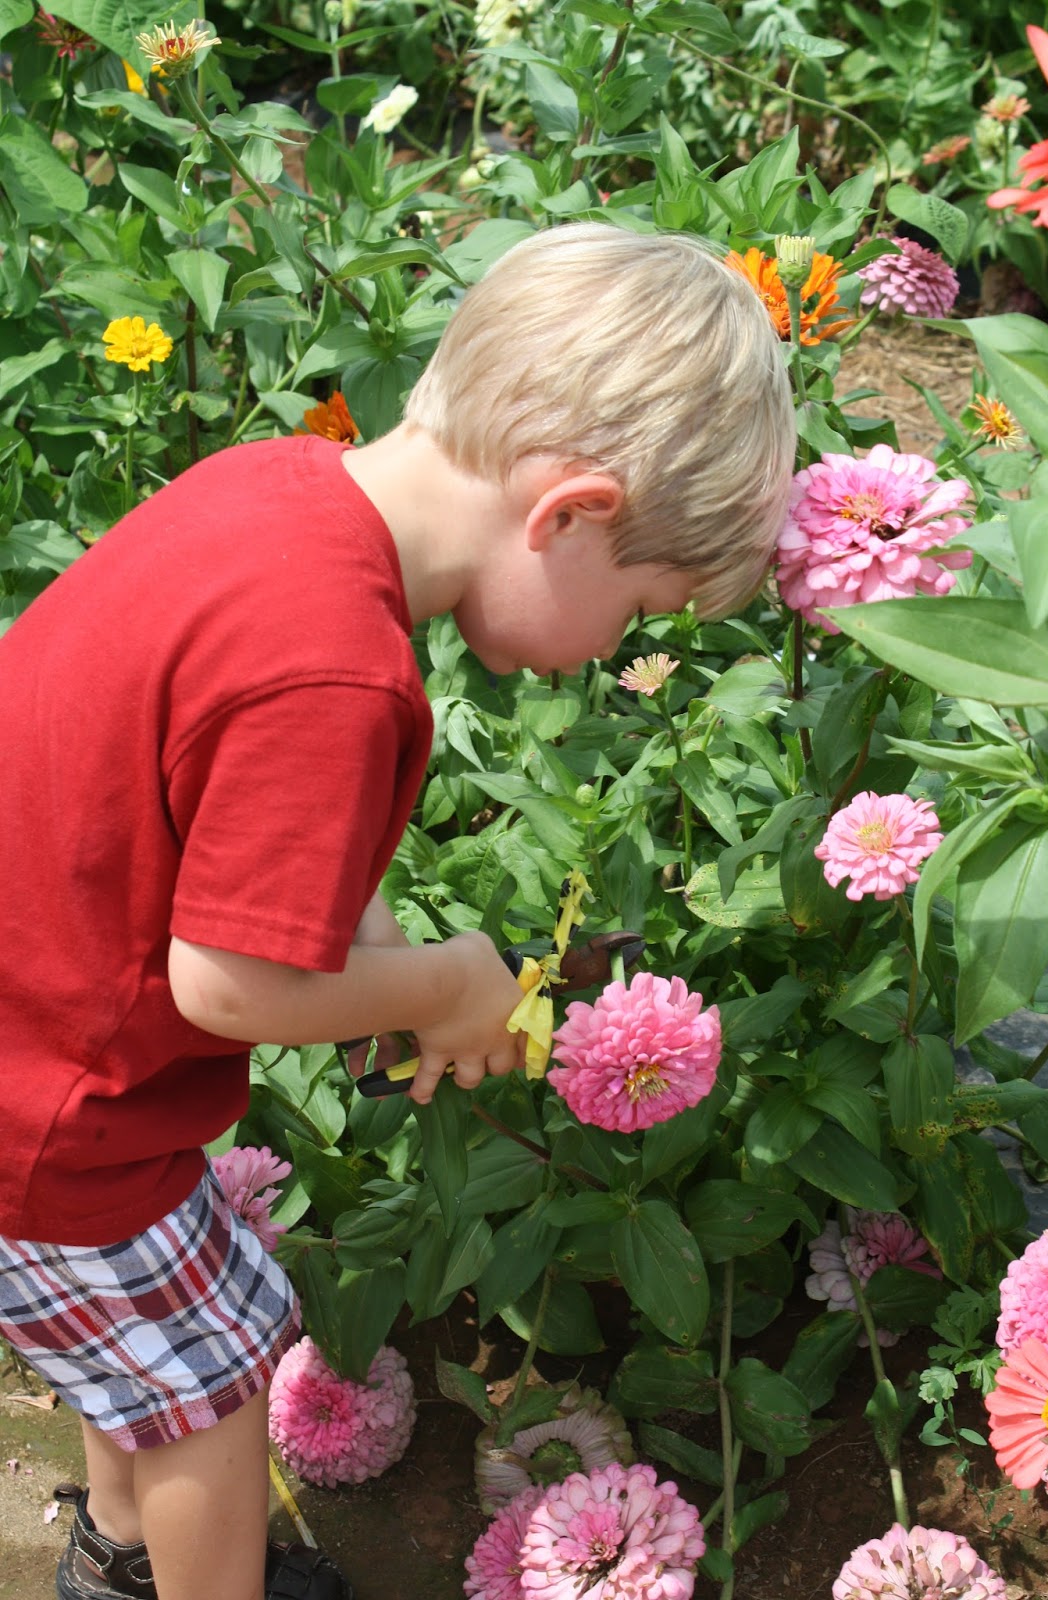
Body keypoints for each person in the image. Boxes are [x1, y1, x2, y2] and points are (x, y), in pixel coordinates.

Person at [0, 221, 795, 1600]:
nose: (614, 650)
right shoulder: (340, 675)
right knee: (210, 1381)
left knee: (144, 1345)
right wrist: (446, 980)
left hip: (34, 1028)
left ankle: (119, 1558)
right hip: (52, 1112)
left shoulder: (282, 497)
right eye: (639, 606)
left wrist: (375, 947)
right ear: (569, 514)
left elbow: (245, 816)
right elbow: (225, 985)